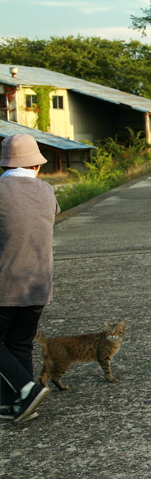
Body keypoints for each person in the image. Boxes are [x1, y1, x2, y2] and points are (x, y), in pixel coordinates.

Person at [0, 134, 57, 422]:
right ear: (36, 164)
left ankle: (25, 389)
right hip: (38, 285)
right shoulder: (47, 190)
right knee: (19, 343)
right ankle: (19, 404)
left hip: (5, 285)